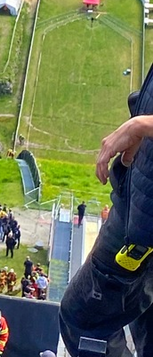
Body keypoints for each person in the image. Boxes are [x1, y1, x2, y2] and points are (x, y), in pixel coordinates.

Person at [59, 109, 153, 357]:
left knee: (83, 320)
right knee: (145, 325)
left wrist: (142, 125)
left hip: (142, 222)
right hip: (138, 200)